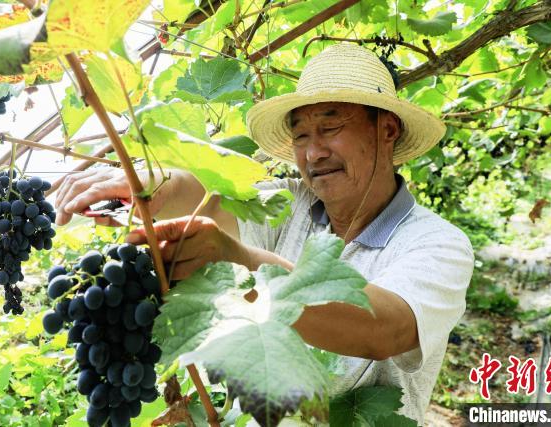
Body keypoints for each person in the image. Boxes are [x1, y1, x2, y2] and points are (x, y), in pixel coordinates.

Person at [54, 43, 474, 425]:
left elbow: (387, 329)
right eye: (301, 135)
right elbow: (211, 197)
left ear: (387, 130)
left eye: (330, 128)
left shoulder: (438, 243)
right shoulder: (291, 204)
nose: (313, 152)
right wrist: (151, 182)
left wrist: (241, 262)